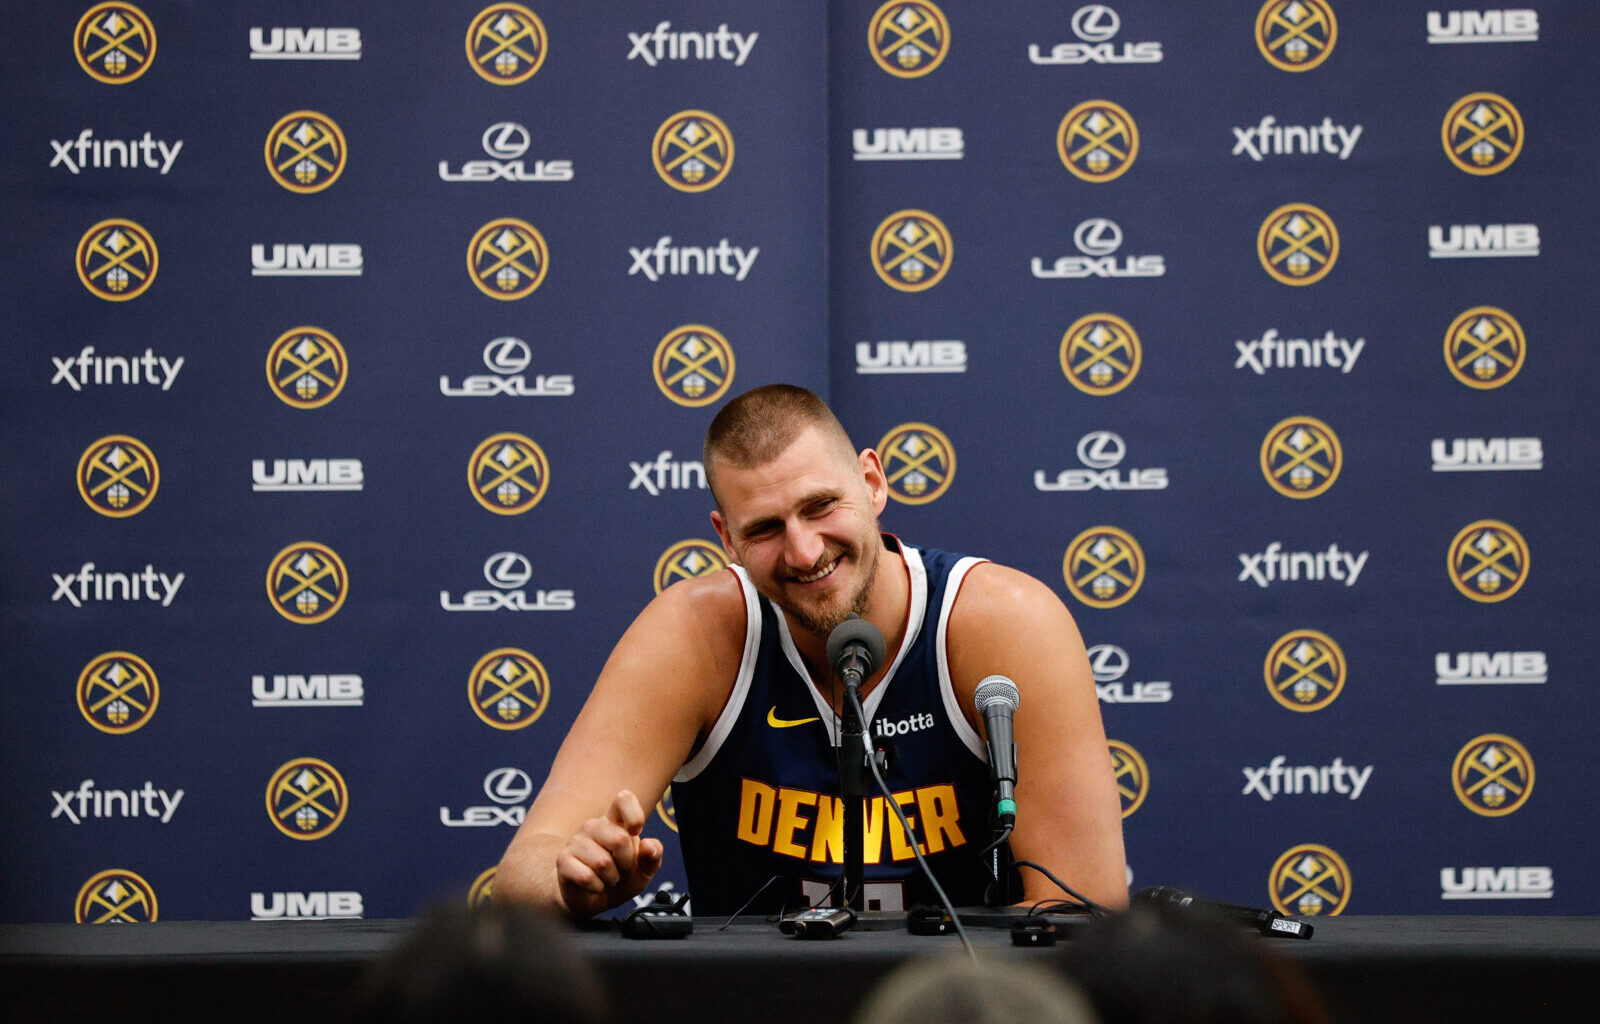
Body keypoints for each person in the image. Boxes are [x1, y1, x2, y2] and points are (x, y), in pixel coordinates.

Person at [495, 384, 1126, 917]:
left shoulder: (1001, 622)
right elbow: (520, 874)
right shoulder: (694, 635)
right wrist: (568, 880)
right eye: (766, 529)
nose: (803, 552)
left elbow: (1083, 910)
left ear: (873, 483)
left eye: (821, 507)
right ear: (728, 540)